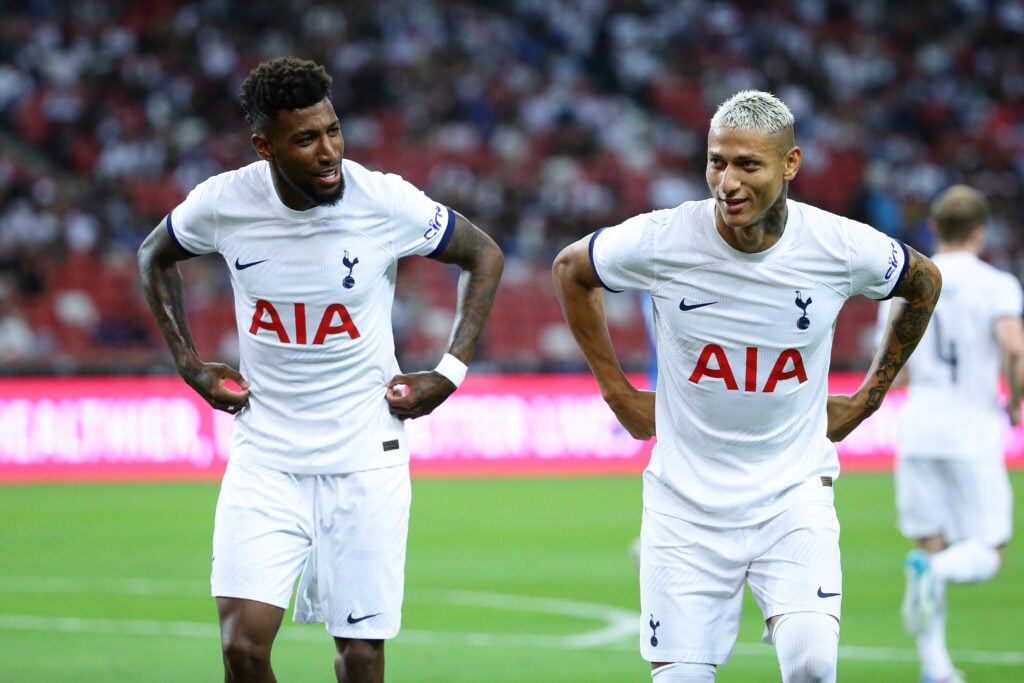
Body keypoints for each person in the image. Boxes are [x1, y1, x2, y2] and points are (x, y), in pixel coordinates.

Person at [551, 89, 942, 683]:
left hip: (793, 495)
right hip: (683, 505)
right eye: (716, 161)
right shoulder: (664, 239)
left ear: (790, 164)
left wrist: (868, 398)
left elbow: (924, 282)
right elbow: (570, 270)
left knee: (812, 664)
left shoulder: (838, 245)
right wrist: (617, 391)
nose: (727, 181)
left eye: (748, 164)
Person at [137, 57, 503, 683]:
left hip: (366, 455)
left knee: (359, 655)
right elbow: (154, 255)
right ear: (265, 145)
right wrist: (189, 364)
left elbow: (483, 254)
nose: (329, 150)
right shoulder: (224, 202)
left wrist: (449, 372)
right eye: (306, 139)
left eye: (333, 130)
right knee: (241, 649)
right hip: (266, 453)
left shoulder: (383, 200)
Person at [878, 185, 1023, 683]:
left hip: (918, 427)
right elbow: (1014, 346)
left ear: (933, 228)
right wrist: (1015, 402)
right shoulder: (997, 284)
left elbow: (890, 367)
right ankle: (934, 577)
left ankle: (935, 667)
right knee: (988, 550)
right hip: (972, 430)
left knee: (929, 542)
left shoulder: (908, 284)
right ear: (981, 232)